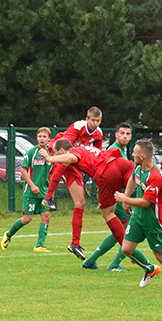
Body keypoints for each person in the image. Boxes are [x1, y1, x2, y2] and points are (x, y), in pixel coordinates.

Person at [39, 139, 154, 270]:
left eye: (56, 154)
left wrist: (49, 158)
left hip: (107, 172)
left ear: (61, 151)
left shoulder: (74, 152)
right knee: (142, 178)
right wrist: (123, 199)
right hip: (119, 163)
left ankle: (128, 252)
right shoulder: (84, 148)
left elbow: (71, 157)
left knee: (109, 214)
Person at [115, 140, 162, 294]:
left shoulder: (156, 176)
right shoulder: (139, 167)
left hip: (153, 221)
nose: (132, 154)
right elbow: (132, 180)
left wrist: (124, 199)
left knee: (161, 255)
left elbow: (145, 202)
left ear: (142, 156)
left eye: (134, 152)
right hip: (138, 218)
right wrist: (127, 199)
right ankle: (149, 269)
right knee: (126, 248)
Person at [42, 107, 104, 258]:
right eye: (92, 120)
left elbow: (96, 154)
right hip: (59, 149)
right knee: (65, 162)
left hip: (75, 161)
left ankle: (75, 243)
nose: (95, 123)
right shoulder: (78, 127)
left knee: (80, 203)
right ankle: (48, 196)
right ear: (87, 119)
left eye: (98, 121)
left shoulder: (99, 134)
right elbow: (64, 149)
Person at [83, 122, 133, 271]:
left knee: (122, 228)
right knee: (128, 229)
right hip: (114, 198)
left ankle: (91, 261)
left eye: (128, 134)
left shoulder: (122, 151)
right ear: (116, 134)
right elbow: (103, 175)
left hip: (115, 196)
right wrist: (104, 197)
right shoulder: (113, 151)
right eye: (122, 133)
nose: (125, 136)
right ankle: (115, 264)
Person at [1, 127, 52, 252]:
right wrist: (32, 185)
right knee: (26, 219)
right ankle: (8, 235)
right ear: (37, 138)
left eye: (44, 136)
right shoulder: (31, 152)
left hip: (44, 192)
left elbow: (50, 173)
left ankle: (39, 245)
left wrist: (50, 190)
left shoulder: (50, 155)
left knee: (46, 216)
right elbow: (23, 170)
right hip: (31, 191)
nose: (42, 139)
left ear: (49, 139)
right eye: (40, 136)